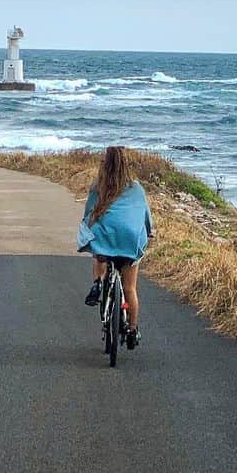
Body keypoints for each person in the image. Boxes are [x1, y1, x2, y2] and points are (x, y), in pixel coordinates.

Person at [77, 145, 154, 348]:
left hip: (105, 238)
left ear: (105, 164)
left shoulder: (98, 186)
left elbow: (88, 212)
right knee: (130, 288)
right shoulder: (136, 188)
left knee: (99, 253)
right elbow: (145, 216)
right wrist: (149, 231)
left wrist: (87, 229)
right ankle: (132, 329)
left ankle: (98, 282)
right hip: (129, 241)